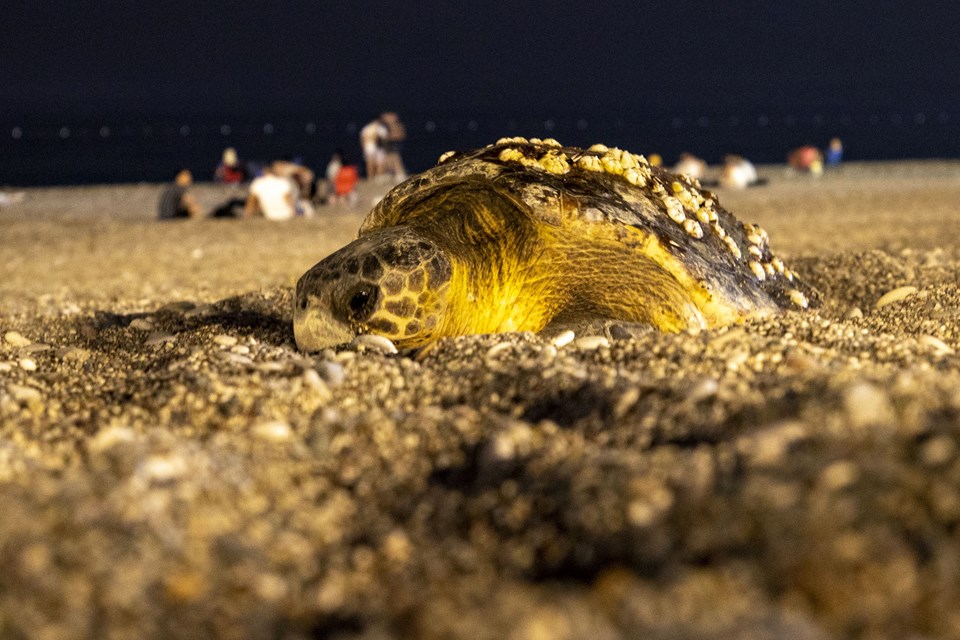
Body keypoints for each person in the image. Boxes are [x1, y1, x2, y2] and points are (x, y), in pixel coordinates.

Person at [243, 165, 313, 220]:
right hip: (287, 214)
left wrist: (246, 214)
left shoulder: (257, 183)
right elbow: (287, 198)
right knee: (306, 205)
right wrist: (293, 213)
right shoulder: (283, 182)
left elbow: (252, 200)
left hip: (270, 215)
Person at [380, 112, 407, 181]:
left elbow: (400, 135)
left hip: (395, 143)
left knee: (395, 158)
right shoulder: (386, 127)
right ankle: (391, 173)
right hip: (389, 144)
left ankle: (400, 173)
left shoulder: (397, 126)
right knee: (388, 159)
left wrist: (389, 137)